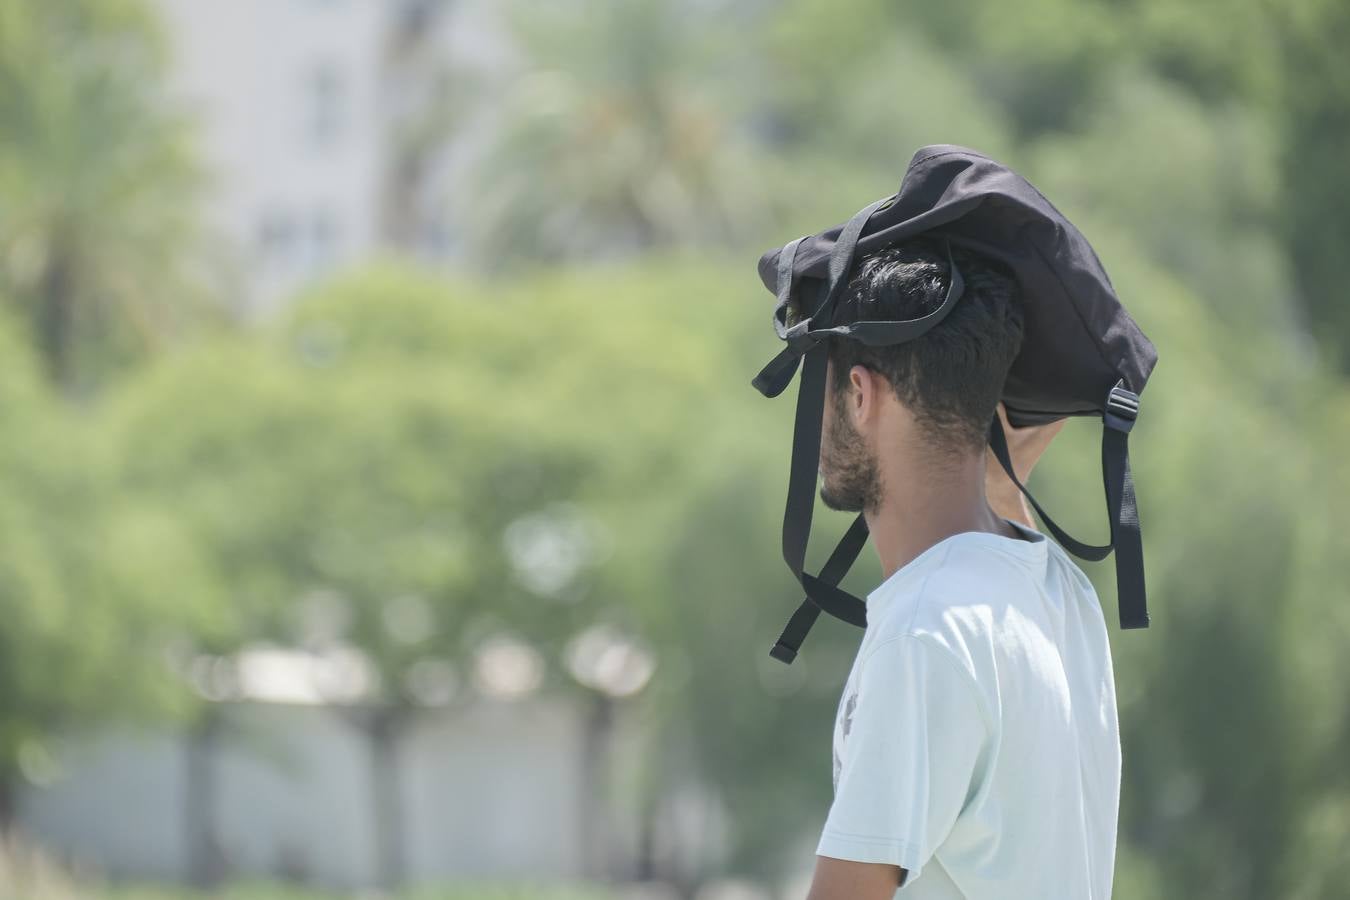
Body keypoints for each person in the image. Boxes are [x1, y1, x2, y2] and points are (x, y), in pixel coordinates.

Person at [803, 239, 1120, 899]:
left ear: (860, 393)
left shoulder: (926, 631)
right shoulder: (1062, 594)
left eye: (824, 385)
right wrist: (996, 488)